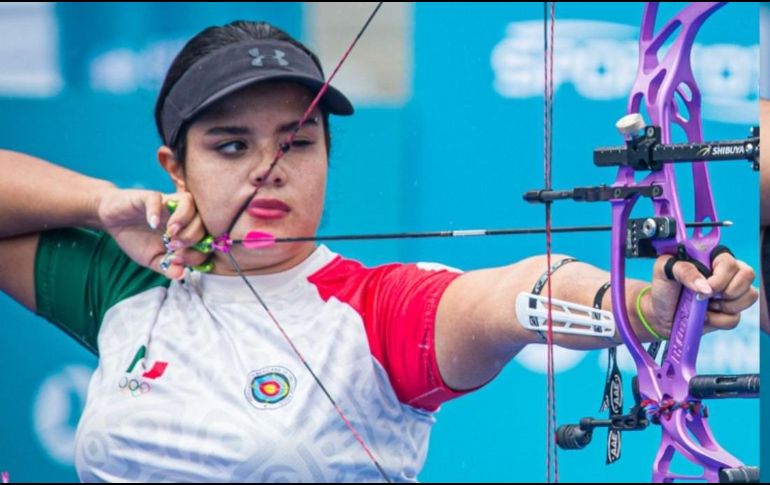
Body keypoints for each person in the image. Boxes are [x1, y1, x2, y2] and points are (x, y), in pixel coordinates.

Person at [0, 20, 757, 482]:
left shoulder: (373, 310)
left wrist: (643, 306)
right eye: (231, 146)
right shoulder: (128, 285)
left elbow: (514, 295)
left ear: (328, 155)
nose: (269, 168)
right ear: (176, 167)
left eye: (297, 142)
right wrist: (98, 204)